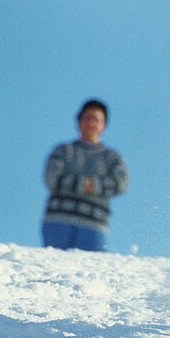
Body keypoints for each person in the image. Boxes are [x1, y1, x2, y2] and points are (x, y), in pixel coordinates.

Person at [42, 99, 129, 252]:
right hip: (58, 221)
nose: (91, 123)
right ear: (79, 121)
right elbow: (52, 179)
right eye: (87, 118)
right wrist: (90, 185)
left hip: (94, 225)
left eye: (96, 120)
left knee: (91, 273)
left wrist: (75, 183)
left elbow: (121, 184)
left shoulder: (111, 157)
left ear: (103, 125)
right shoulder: (64, 151)